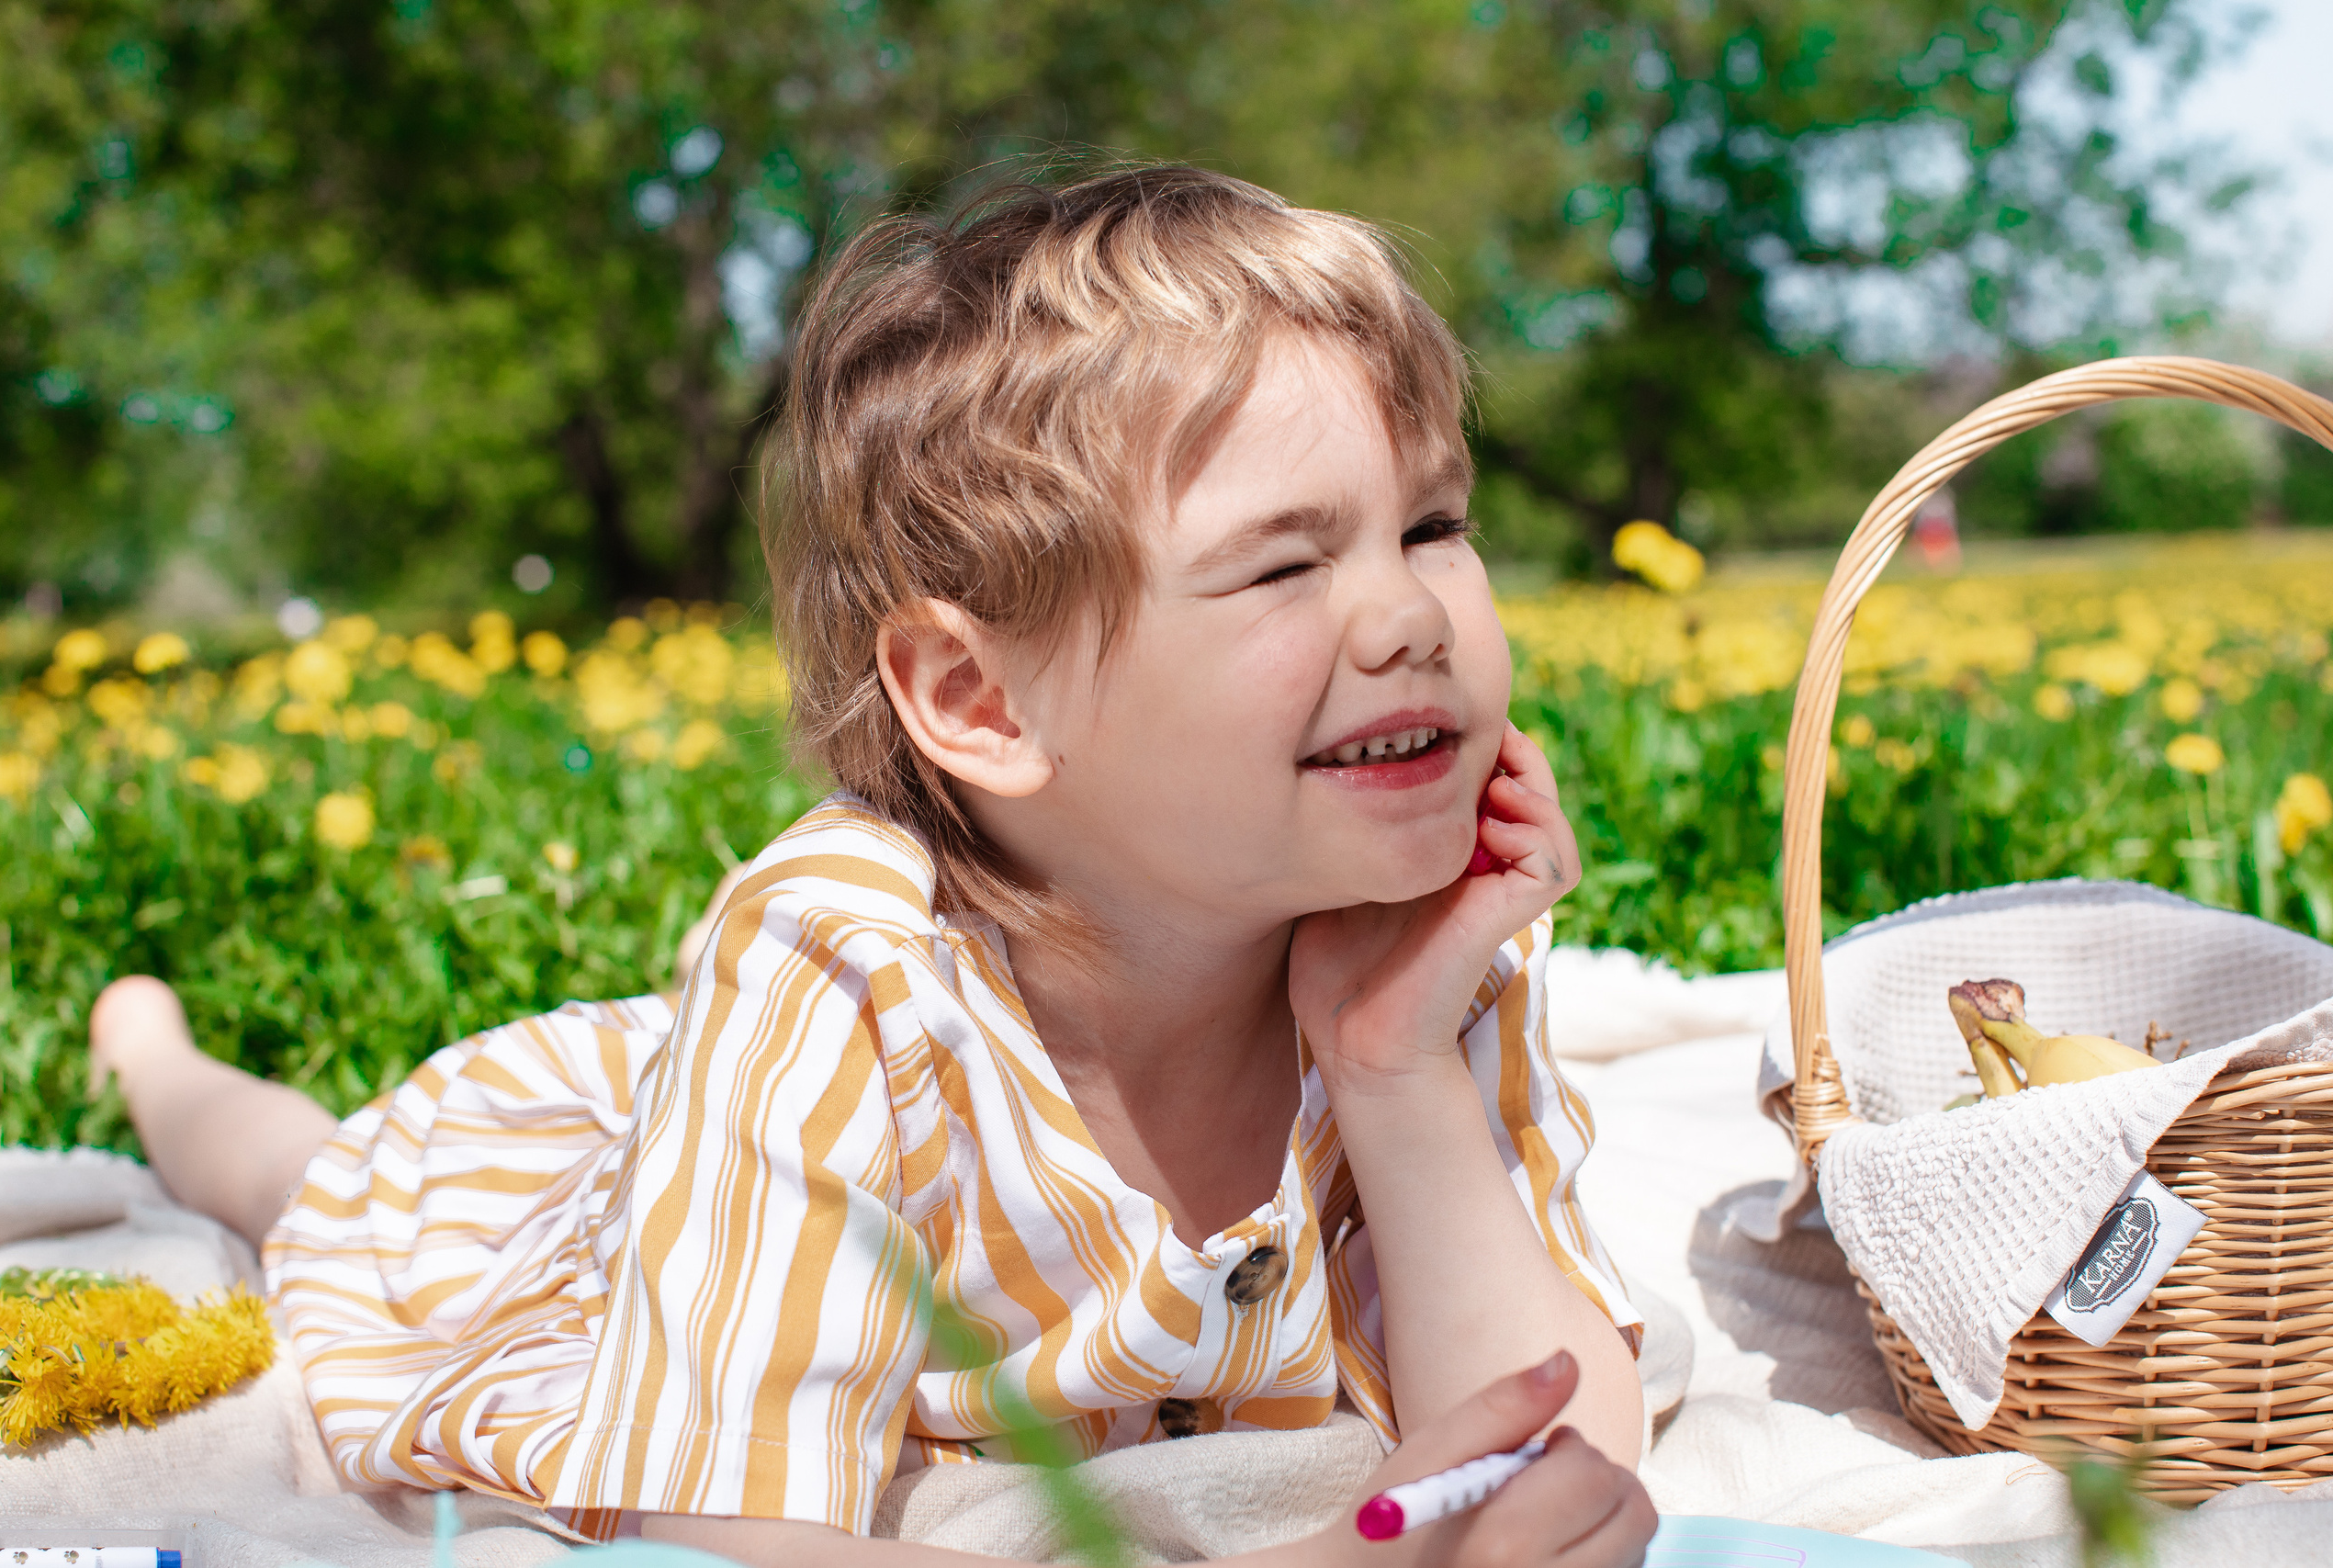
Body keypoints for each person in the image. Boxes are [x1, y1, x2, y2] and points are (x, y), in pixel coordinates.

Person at [89, 166, 1655, 1568]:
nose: (1413, 618)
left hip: (777, 1134)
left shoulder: (1414, 952)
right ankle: (151, 1052)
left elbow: (1575, 1463)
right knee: (308, 1186)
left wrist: (1392, 1071)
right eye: (1287, 562)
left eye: (1434, 524)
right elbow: (735, 1528)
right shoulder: (842, 970)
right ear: (981, 702)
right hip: (562, 1223)